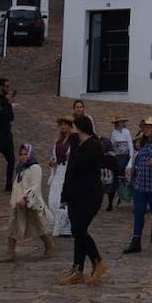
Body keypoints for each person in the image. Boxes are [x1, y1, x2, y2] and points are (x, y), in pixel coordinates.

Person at [60, 114, 112, 285]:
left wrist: (74, 148)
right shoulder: (76, 143)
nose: (71, 130)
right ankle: (78, 269)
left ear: (80, 127)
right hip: (75, 193)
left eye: (73, 126)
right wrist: (65, 194)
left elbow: (83, 165)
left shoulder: (94, 145)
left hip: (90, 194)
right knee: (77, 231)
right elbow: (70, 171)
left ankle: (98, 261)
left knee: (80, 229)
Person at [122, 117, 152, 254]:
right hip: (140, 184)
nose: (146, 130)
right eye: (145, 127)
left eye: (149, 128)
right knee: (139, 211)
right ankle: (136, 240)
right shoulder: (143, 143)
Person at [1, 143, 54, 263]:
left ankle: (49, 245)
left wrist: (26, 198)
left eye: (26, 154)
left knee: (38, 224)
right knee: (13, 225)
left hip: (32, 202)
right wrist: (15, 199)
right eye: (21, 154)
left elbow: (35, 186)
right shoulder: (21, 168)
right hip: (18, 202)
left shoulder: (35, 168)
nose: (23, 157)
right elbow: (17, 184)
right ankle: (10, 252)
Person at [48, 115, 74, 237]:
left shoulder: (73, 141)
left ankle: (66, 227)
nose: (63, 127)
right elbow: (54, 156)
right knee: (53, 199)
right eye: (62, 125)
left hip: (68, 171)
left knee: (64, 200)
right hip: (59, 171)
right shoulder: (58, 142)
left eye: (66, 125)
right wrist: (52, 162)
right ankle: (57, 222)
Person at [0, 78, 15, 194]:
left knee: (12, 160)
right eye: (6, 86)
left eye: (9, 86)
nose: (8, 88)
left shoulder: (6, 101)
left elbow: (11, 117)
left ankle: (9, 185)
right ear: (0, 87)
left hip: (6, 136)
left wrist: (7, 104)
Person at [108, 114, 134, 211]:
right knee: (114, 177)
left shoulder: (126, 132)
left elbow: (130, 144)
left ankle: (125, 195)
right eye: (118, 122)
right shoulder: (114, 132)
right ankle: (112, 199)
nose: (120, 124)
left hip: (125, 156)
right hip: (117, 156)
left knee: (124, 177)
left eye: (121, 122)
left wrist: (131, 157)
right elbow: (112, 144)